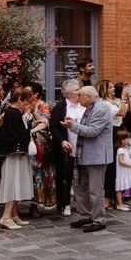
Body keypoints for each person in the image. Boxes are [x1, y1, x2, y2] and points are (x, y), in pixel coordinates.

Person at [61, 86, 113, 233]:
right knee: (79, 186)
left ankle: (99, 220)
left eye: (80, 96)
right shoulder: (92, 106)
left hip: (96, 156)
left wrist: (73, 125)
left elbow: (93, 131)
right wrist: (74, 124)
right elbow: (86, 127)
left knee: (96, 190)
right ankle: (86, 216)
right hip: (84, 154)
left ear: (88, 97)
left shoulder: (101, 108)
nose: (78, 98)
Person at [0, 87, 33, 230]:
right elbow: (18, 135)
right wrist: (32, 127)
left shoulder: (13, 113)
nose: (25, 105)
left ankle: (13, 214)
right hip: (13, 155)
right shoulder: (13, 113)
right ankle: (6, 216)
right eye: (25, 102)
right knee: (13, 183)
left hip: (15, 154)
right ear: (19, 99)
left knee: (17, 182)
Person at [50, 79, 85, 217]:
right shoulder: (60, 107)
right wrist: (62, 141)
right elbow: (53, 126)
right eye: (77, 90)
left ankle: (82, 204)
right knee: (65, 176)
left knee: (82, 177)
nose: (80, 91)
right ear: (68, 94)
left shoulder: (84, 105)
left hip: (83, 148)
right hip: (66, 148)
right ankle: (64, 204)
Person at [98, 80, 128, 210]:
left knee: (117, 165)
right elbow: (121, 113)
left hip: (119, 130)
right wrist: (123, 98)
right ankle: (106, 198)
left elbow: (125, 112)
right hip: (111, 133)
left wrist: (126, 98)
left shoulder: (113, 101)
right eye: (110, 87)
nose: (113, 89)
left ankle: (115, 196)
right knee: (111, 166)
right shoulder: (104, 104)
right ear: (104, 90)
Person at [27, 82, 56, 215]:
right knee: (32, 175)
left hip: (41, 145)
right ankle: (32, 204)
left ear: (36, 94)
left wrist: (34, 113)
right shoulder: (24, 104)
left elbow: (46, 123)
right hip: (28, 144)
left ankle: (40, 203)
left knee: (41, 175)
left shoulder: (43, 105)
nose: (27, 95)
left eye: (30, 93)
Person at [114, 129, 131, 211]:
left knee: (122, 187)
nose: (128, 140)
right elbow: (121, 161)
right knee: (119, 188)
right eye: (126, 139)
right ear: (121, 140)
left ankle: (121, 203)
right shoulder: (120, 150)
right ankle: (120, 204)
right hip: (122, 172)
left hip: (125, 171)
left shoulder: (126, 148)